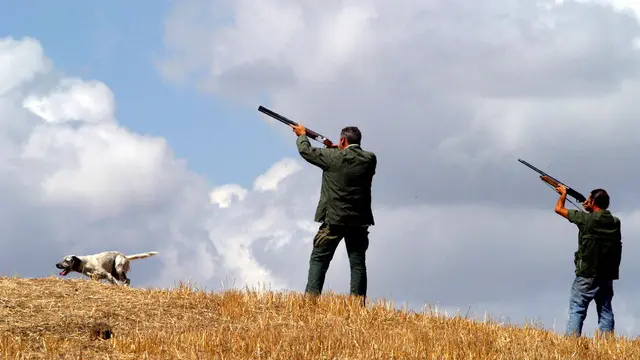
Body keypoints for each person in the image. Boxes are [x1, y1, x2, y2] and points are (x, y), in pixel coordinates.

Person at [290, 123, 376, 304]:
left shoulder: (332, 157)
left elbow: (306, 152)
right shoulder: (370, 159)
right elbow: (350, 158)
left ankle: (311, 302)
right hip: (359, 220)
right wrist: (338, 149)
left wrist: (301, 136)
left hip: (334, 220)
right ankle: (357, 304)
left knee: (319, 259)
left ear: (343, 140)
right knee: (358, 264)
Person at [553, 184, 622, 337]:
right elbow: (597, 218)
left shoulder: (585, 219)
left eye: (589, 199)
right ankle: (607, 345)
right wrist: (589, 207)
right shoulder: (616, 222)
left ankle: (572, 343)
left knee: (577, 307)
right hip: (607, 274)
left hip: (587, 273)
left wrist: (563, 194)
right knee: (605, 310)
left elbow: (558, 209)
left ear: (592, 202)